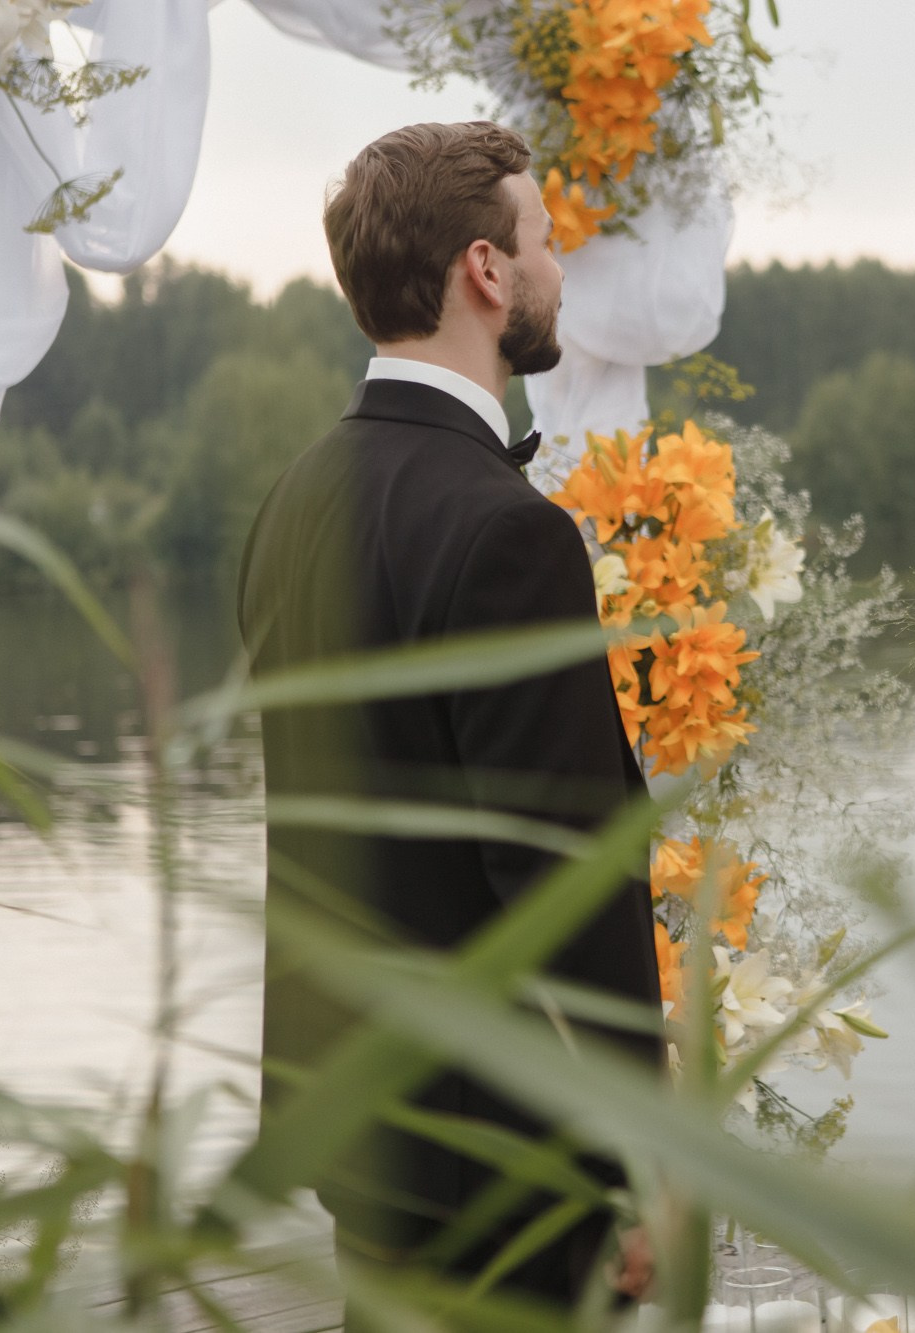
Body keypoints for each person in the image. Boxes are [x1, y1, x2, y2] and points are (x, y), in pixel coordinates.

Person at [236, 121, 661, 1320]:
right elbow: (558, 878)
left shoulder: (293, 500)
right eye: (545, 241)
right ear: (485, 269)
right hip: (508, 1151)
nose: (557, 269)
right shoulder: (508, 531)